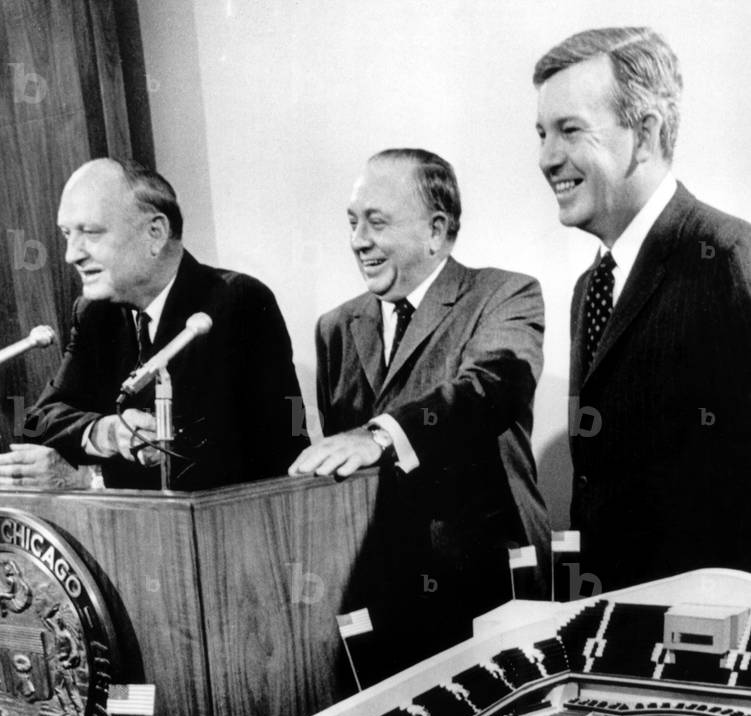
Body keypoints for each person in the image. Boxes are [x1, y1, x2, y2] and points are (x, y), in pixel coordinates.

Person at [290, 148, 549, 670]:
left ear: (435, 230)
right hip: (375, 596)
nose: (358, 240)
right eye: (352, 222)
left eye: (376, 222)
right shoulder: (334, 328)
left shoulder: (506, 295)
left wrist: (381, 436)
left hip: (484, 587)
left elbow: (487, 391)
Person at [534, 27, 751, 592]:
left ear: (646, 133)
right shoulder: (590, 288)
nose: (547, 158)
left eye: (570, 131)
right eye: (541, 134)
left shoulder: (731, 258)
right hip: (616, 635)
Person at [0, 158, 304, 490]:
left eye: (90, 233)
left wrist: (92, 478)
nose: (72, 255)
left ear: (155, 234)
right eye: (67, 235)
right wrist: (106, 433)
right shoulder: (94, 313)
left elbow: (249, 455)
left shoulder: (236, 303)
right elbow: (39, 419)